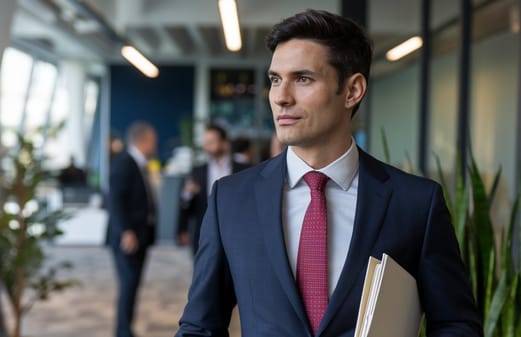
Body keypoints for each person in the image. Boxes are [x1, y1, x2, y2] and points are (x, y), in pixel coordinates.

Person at [176, 9, 482, 337]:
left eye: (303, 79)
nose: (280, 97)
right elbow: (200, 327)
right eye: (275, 79)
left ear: (352, 91)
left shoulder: (416, 203)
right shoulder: (231, 199)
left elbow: (456, 325)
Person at [108, 121, 158, 337]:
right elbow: (114, 200)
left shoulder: (140, 164)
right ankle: (123, 332)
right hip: (127, 238)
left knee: (132, 284)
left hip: (141, 235)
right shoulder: (124, 163)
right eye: (153, 139)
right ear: (144, 140)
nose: (155, 143)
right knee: (128, 284)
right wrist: (126, 231)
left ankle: (125, 329)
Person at [176, 124, 250, 255]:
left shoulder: (244, 169)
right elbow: (185, 204)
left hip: (237, 234)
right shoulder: (197, 171)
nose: (207, 146)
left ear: (225, 143)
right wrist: (182, 229)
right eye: (205, 142)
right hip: (204, 233)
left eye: (211, 142)